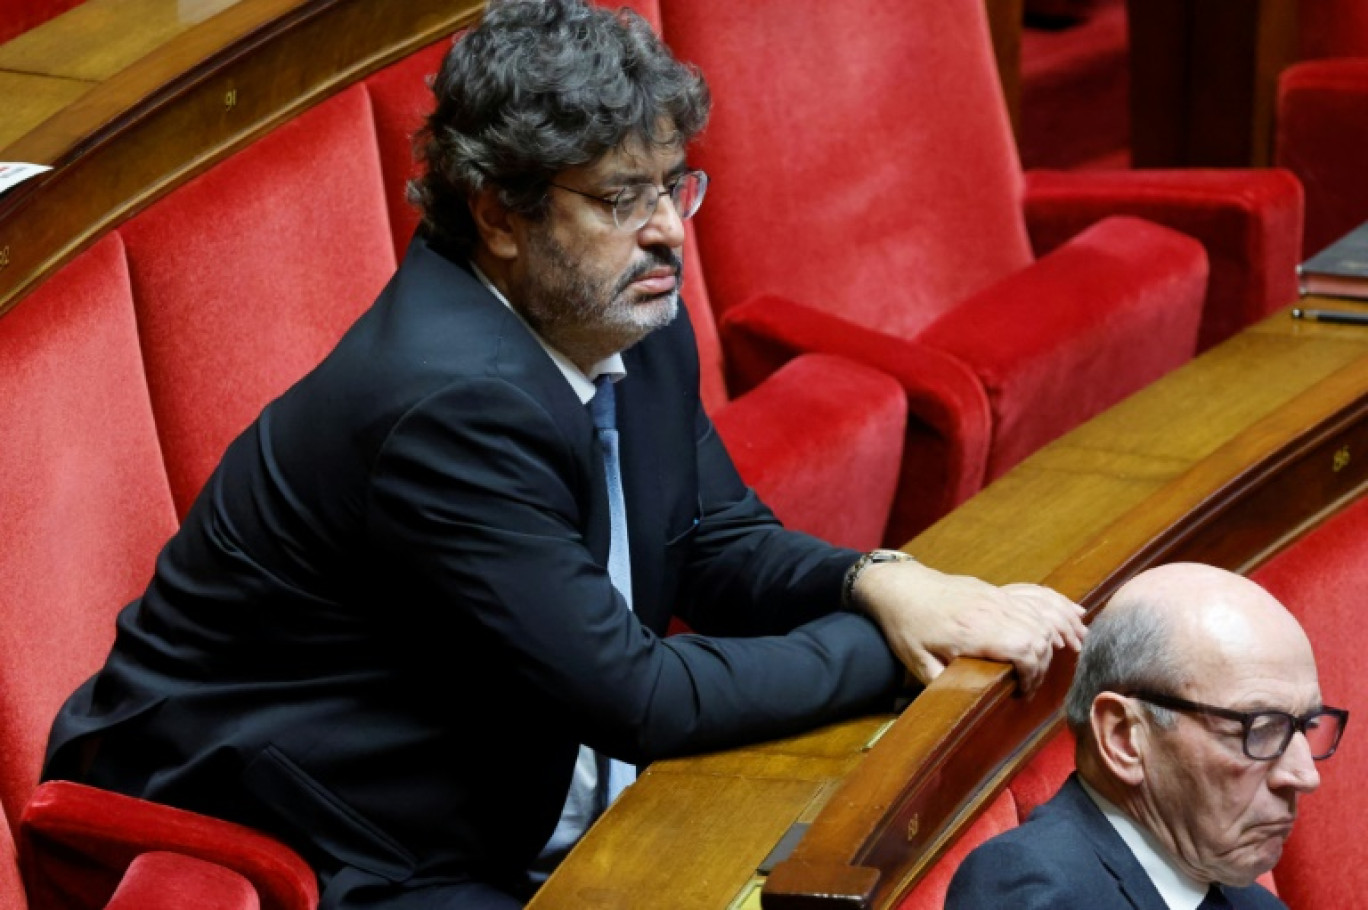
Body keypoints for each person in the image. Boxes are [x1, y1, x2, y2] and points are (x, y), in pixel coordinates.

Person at [42, 2, 1084, 907]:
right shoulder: (448, 405)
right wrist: (906, 648)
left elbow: (718, 539)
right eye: (621, 198)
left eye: (676, 184)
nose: (670, 231)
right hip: (324, 827)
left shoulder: (626, 311)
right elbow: (637, 696)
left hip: (487, 767)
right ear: (499, 213)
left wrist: (880, 582)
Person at [946, 562, 1348, 910]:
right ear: (1124, 737)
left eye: (1306, 726)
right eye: (1260, 730)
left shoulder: (1259, 906)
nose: (1304, 776)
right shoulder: (1030, 887)